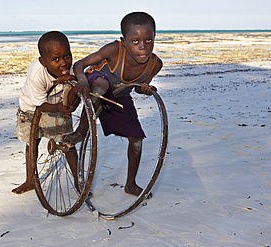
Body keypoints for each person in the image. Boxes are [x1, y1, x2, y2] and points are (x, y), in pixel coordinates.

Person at [64, 12, 163, 198]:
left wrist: (146, 89)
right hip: (95, 85)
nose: (143, 47)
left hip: (119, 96)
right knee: (101, 85)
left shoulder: (155, 64)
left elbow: (137, 90)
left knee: (137, 139)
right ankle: (81, 131)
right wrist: (83, 81)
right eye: (135, 41)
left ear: (154, 38)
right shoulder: (114, 51)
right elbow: (80, 64)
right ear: (124, 41)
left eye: (148, 40)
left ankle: (131, 184)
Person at [12, 31, 80, 195]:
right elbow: (40, 105)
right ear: (43, 61)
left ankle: (78, 182)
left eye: (67, 56)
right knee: (32, 142)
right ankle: (30, 180)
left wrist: (72, 81)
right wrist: (59, 108)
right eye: (56, 59)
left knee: (67, 143)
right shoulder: (37, 74)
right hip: (31, 108)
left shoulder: (72, 69)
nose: (63, 63)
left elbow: (75, 97)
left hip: (57, 106)